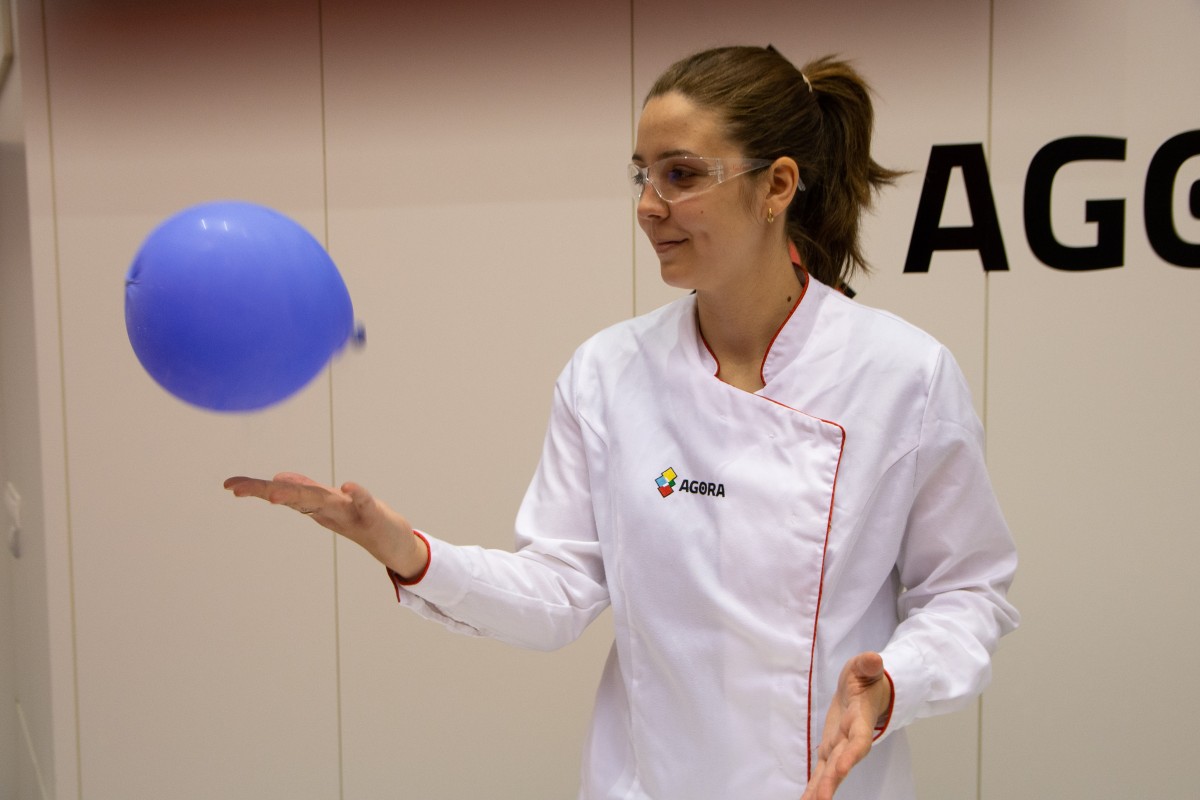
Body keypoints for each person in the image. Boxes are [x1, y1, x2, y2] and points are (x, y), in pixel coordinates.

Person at [225, 45, 1018, 800]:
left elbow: (967, 591)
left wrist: (894, 684)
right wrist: (405, 551)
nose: (647, 206)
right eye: (642, 174)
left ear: (777, 186)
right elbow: (560, 590)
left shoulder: (900, 375)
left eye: (681, 175)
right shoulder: (607, 373)